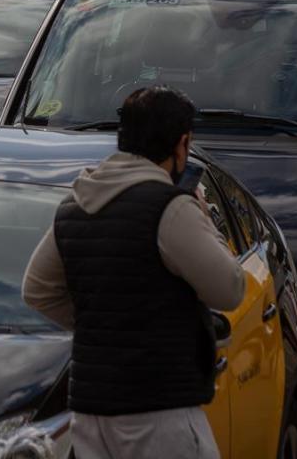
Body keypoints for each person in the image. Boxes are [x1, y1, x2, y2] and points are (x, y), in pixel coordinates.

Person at [23, 86, 245, 459]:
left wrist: (105, 328)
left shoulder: (76, 204)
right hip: (159, 405)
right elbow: (230, 290)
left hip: (91, 409)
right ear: (181, 144)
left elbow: (37, 291)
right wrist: (205, 218)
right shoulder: (170, 208)